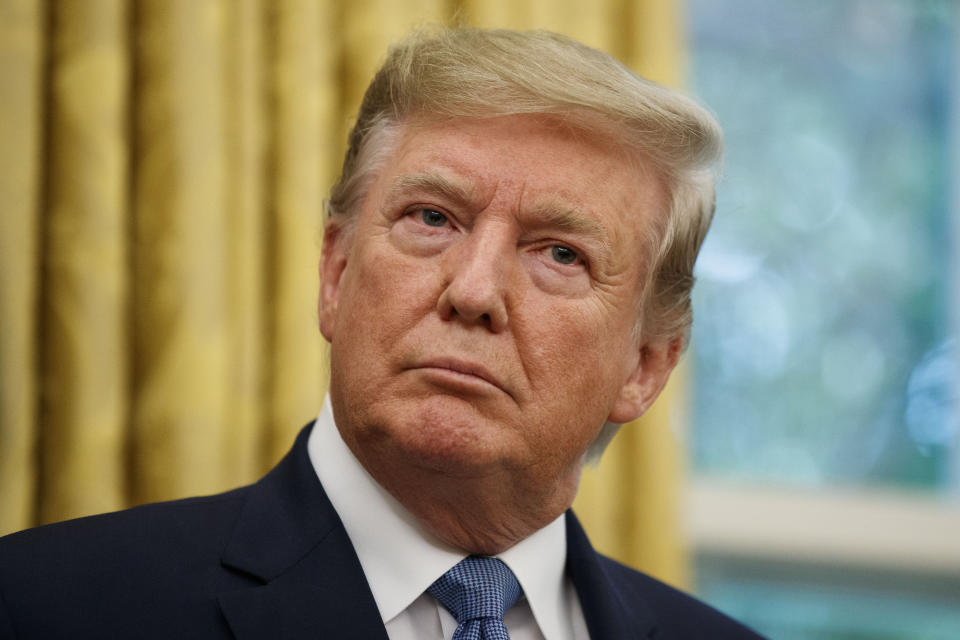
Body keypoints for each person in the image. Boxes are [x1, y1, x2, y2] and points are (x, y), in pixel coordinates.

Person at [0, 27, 762, 639]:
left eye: (560, 253)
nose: (472, 292)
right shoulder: (44, 606)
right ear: (334, 274)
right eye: (432, 218)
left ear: (647, 364)